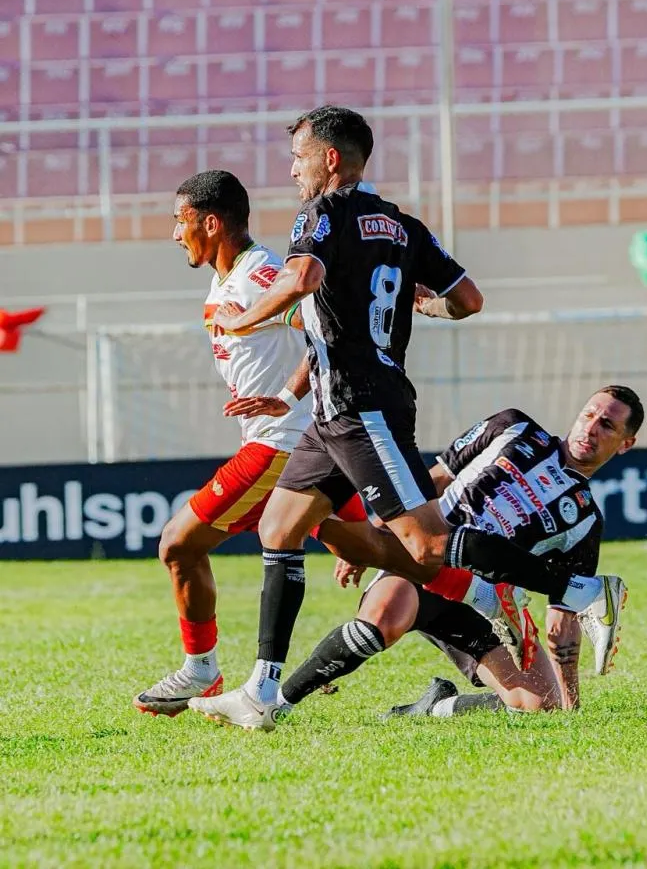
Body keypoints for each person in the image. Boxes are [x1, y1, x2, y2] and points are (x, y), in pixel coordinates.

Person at [187, 106, 629, 732]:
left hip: (363, 405)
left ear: (330, 158)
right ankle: (261, 692)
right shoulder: (402, 225)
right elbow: (468, 300)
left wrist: (241, 317)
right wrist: (416, 311)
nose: (292, 171)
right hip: (334, 410)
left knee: (421, 544)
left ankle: (580, 590)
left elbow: (303, 276)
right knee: (280, 527)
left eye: (298, 158)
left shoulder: (322, 214)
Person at [132, 169, 430, 718]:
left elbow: (321, 325)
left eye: (181, 221)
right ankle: (476, 584)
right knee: (364, 547)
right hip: (303, 435)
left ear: (211, 222)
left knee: (177, 544)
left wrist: (287, 402)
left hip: (281, 445)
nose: (176, 234)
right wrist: (289, 395)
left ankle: (202, 669)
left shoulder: (260, 272)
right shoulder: (228, 277)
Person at [238, 387, 643, 728]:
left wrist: (571, 702)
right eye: (588, 414)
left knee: (542, 705)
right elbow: (434, 479)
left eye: (606, 425)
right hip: (420, 558)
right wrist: (378, 539)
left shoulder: (586, 521)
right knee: (385, 618)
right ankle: (277, 704)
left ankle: (435, 706)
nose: (590, 428)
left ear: (626, 444)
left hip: (482, 604)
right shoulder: (513, 426)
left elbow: (563, 617)